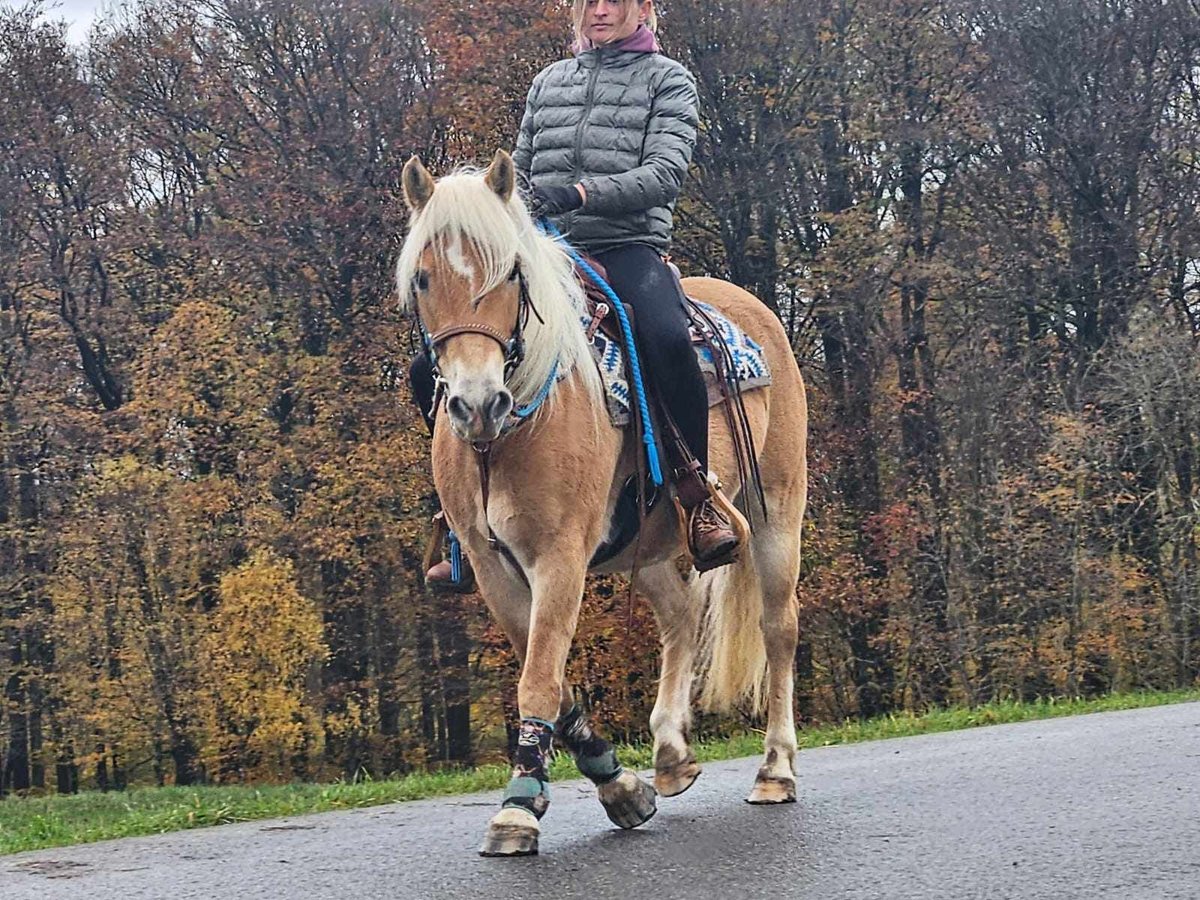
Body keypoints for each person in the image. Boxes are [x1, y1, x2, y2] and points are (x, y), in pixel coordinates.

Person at [417, 0, 738, 589]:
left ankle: (697, 498)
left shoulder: (668, 79)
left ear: (644, 9)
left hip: (628, 247)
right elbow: (520, 175)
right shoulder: (550, 82)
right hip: (548, 252)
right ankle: (461, 517)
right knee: (428, 365)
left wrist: (581, 193)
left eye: (616, 0)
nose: (601, 10)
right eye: (589, 0)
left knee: (666, 340)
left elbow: (665, 174)